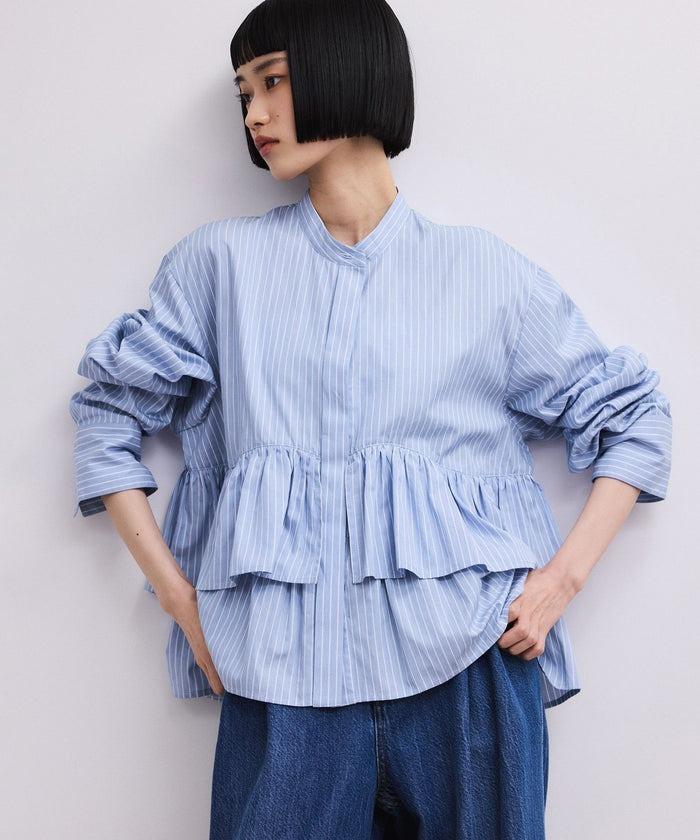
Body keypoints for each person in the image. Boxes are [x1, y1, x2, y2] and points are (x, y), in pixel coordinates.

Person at [68, 1, 673, 838]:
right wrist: (183, 604)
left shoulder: (484, 274)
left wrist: (558, 584)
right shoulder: (219, 267)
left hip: (470, 668)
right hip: (280, 682)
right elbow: (106, 415)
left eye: (273, 81)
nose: (254, 114)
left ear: (350, 70)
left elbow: (634, 417)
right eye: (244, 93)